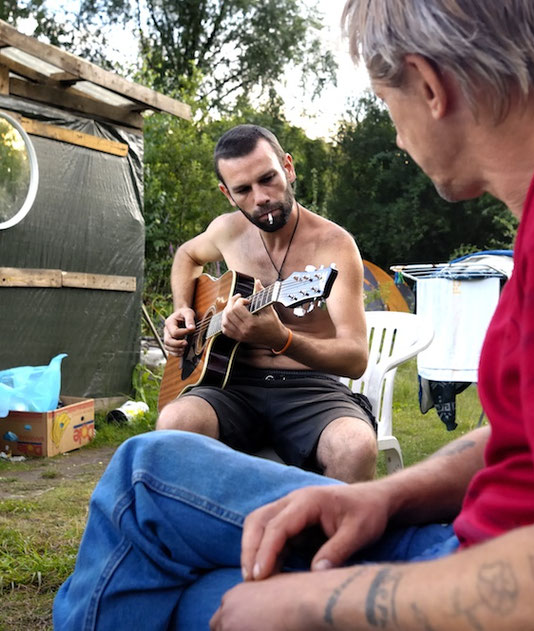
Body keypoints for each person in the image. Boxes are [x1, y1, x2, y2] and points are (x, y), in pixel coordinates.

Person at [54, 1, 534, 629]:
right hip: (497, 535)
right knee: (194, 592)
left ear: (429, 85)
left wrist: (320, 602)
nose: (397, 137)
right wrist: (392, 493)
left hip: (512, 563)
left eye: (385, 102)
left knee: (148, 481)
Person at [154, 124, 378, 483]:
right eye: (243, 189)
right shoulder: (227, 231)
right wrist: (183, 308)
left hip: (312, 389)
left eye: (268, 178)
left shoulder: (333, 245)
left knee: (355, 446)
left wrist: (282, 339)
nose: (261, 198)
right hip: (231, 385)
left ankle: (335, 539)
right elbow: (185, 255)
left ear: (288, 168)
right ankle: (204, 534)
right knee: (174, 422)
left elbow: (355, 358)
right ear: (227, 194)